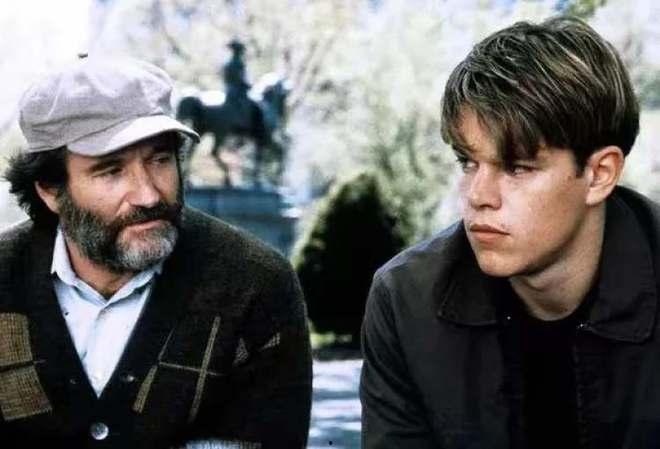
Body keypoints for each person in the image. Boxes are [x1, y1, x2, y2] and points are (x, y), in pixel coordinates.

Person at [360, 16, 660, 449]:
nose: (478, 195)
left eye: (517, 168)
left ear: (599, 174)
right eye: (468, 162)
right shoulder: (407, 301)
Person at [0, 56, 312, 448]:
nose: (148, 195)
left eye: (160, 160)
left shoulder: (255, 284)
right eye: (111, 170)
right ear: (50, 190)